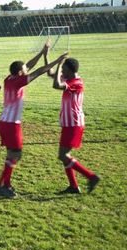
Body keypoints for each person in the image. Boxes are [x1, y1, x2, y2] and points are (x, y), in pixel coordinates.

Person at [0, 43, 68, 198]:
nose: (27, 69)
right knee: (16, 155)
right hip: (11, 124)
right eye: (25, 69)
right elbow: (39, 71)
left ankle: (4, 184)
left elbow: (29, 65)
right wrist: (58, 61)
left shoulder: (9, 78)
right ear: (21, 72)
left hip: (4, 122)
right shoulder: (19, 82)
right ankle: (1, 185)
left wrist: (43, 52)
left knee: (12, 154)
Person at [52, 57, 100, 194]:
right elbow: (51, 74)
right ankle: (73, 187)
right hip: (69, 123)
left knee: (63, 155)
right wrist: (46, 54)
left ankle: (91, 177)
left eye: (64, 69)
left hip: (74, 123)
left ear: (70, 70)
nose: (62, 72)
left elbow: (55, 85)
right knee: (64, 155)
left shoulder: (75, 82)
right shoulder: (69, 78)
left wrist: (59, 64)